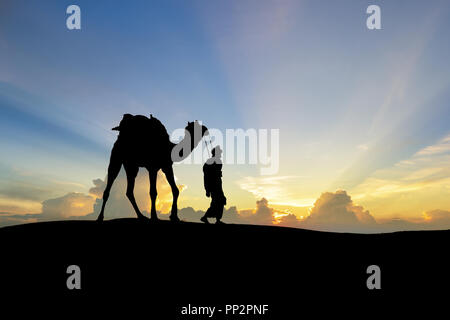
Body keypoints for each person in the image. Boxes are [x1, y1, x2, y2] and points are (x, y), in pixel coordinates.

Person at [201, 146, 227, 224]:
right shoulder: (210, 162)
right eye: (220, 153)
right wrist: (207, 189)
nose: (221, 154)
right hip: (214, 186)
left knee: (219, 201)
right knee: (217, 202)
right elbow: (207, 176)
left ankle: (216, 219)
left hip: (217, 186)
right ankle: (207, 217)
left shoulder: (213, 162)